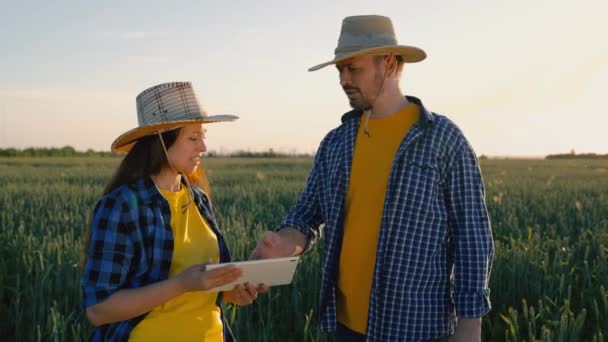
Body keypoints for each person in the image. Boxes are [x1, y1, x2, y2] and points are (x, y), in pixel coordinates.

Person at [251, 15, 494, 341]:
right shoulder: (336, 142)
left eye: (354, 69)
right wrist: (281, 245)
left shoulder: (442, 138)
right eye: (340, 70)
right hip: (347, 327)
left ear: (390, 65)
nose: (343, 79)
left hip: (416, 328)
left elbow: (472, 234)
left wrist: (470, 325)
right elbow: (307, 216)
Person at [82, 82, 264, 341]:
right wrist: (180, 285)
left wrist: (232, 292)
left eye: (203, 136)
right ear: (160, 141)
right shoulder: (122, 205)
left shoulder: (198, 198)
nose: (203, 147)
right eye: (192, 138)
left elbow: (202, 288)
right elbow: (99, 310)